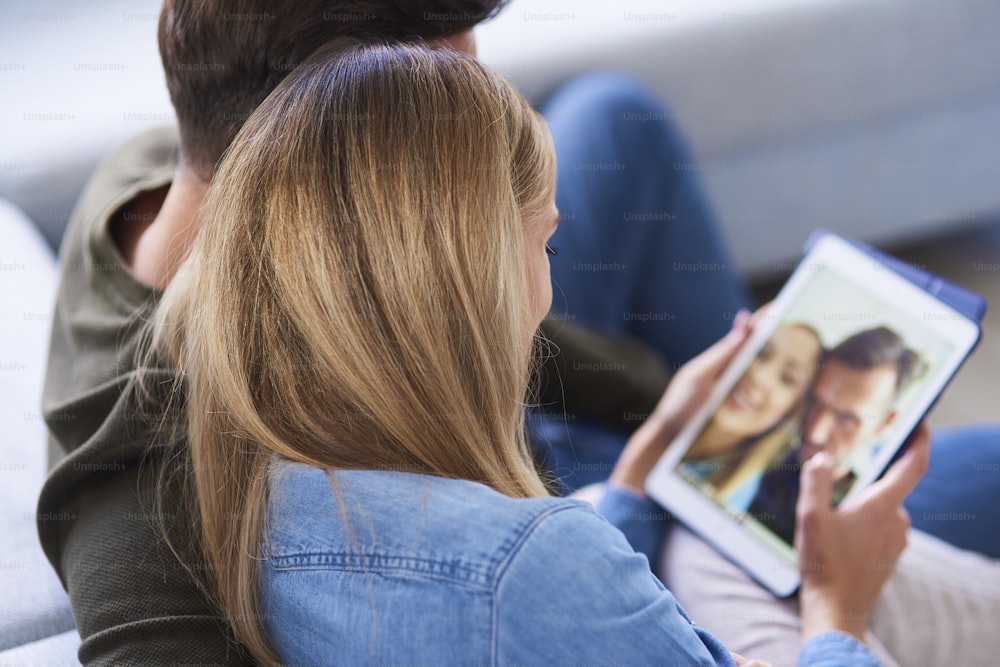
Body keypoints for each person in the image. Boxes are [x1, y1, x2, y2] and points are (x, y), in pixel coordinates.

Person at [150, 39, 926, 665]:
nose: (550, 288)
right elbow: (537, 587)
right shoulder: (533, 563)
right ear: (474, 281)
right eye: (548, 242)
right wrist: (836, 609)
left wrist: (642, 468)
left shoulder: (263, 480)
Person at [748, 326, 925, 544]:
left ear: (884, 424)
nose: (815, 433)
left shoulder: (859, 519)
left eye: (847, 418)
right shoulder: (757, 445)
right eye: (815, 402)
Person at [678, 322, 823, 510]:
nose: (758, 375)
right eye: (762, 352)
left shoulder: (733, 498)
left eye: (788, 378)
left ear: (791, 412)